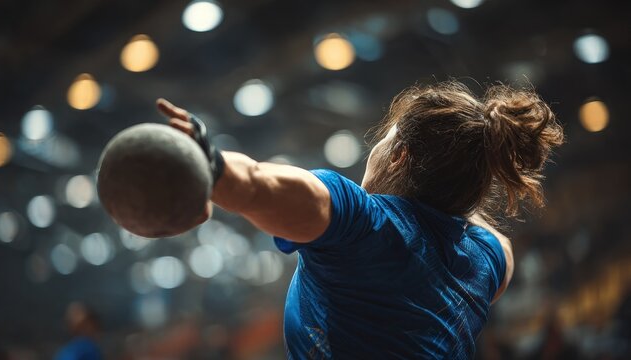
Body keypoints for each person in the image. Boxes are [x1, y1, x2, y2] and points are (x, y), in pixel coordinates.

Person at [156, 80, 564, 359]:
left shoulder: (364, 224)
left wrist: (208, 164)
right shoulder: (487, 259)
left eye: (384, 141)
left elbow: (258, 185)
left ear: (399, 154)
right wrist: (460, 183)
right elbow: (497, 244)